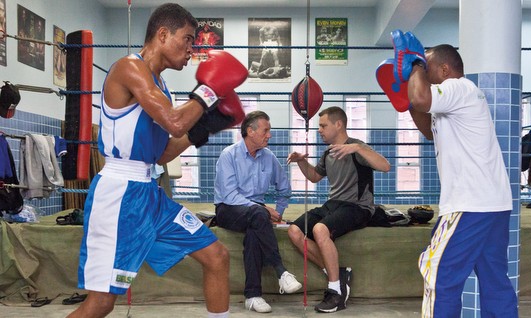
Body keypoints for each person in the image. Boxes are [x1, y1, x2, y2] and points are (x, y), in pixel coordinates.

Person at [68, 4, 248, 317]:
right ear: (163, 35)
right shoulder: (129, 68)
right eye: (188, 39)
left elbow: (162, 152)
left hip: (150, 194)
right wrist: (207, 93)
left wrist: (205, 128)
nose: (192, 50)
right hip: (119, 195)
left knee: (216, 255)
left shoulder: (160, 86)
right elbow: (175, 122)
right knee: (101, 303)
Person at [385, 31, 517, 317]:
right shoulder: (453, 102)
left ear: (444, 69)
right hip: (492, 205)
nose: (423, 73)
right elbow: (427, 127)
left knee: (438, 274)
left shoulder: (459, 87)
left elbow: (422, 98)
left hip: (469, 205)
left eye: (428, 68)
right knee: (495, 282)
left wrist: (415, 64)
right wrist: (404, 98)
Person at [287, 106, 391, 313]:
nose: (320, 130)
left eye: (323, 125)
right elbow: (315, 176)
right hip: (333, 204)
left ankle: (336, 292)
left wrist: (358, 148)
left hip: (358, 207)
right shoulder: (328, 152)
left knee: (319, 230)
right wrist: (301, 161)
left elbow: (385, 166)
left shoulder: (357, 148)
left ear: (339, 124)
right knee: (294, 231)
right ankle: (339, 274)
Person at [213, 110, 302, 313]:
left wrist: (278, 212)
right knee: (259, 214)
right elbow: (229, 195)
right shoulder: (229, 155)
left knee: (255, 232)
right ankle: (281, 271)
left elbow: (284, 188)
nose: (269, 135)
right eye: (266, 130)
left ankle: (253, 296)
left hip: (257, 216)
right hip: (228, 209)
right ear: (250, 131)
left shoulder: (268, 157)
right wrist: (260, 208)